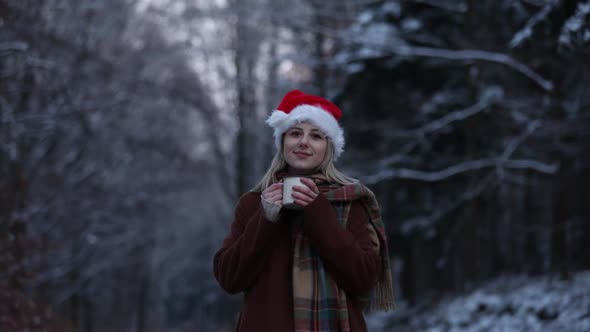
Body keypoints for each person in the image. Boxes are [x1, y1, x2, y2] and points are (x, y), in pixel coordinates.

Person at [213, 90, 394, 331]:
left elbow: (363, 279)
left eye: (316, 136)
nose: (303, 142)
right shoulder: (253, 202)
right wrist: (265, 220)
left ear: (328, 148)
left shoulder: (351, 202)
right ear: (283, 142)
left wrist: (318, 211)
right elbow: (229, 278)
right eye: (295, 133)